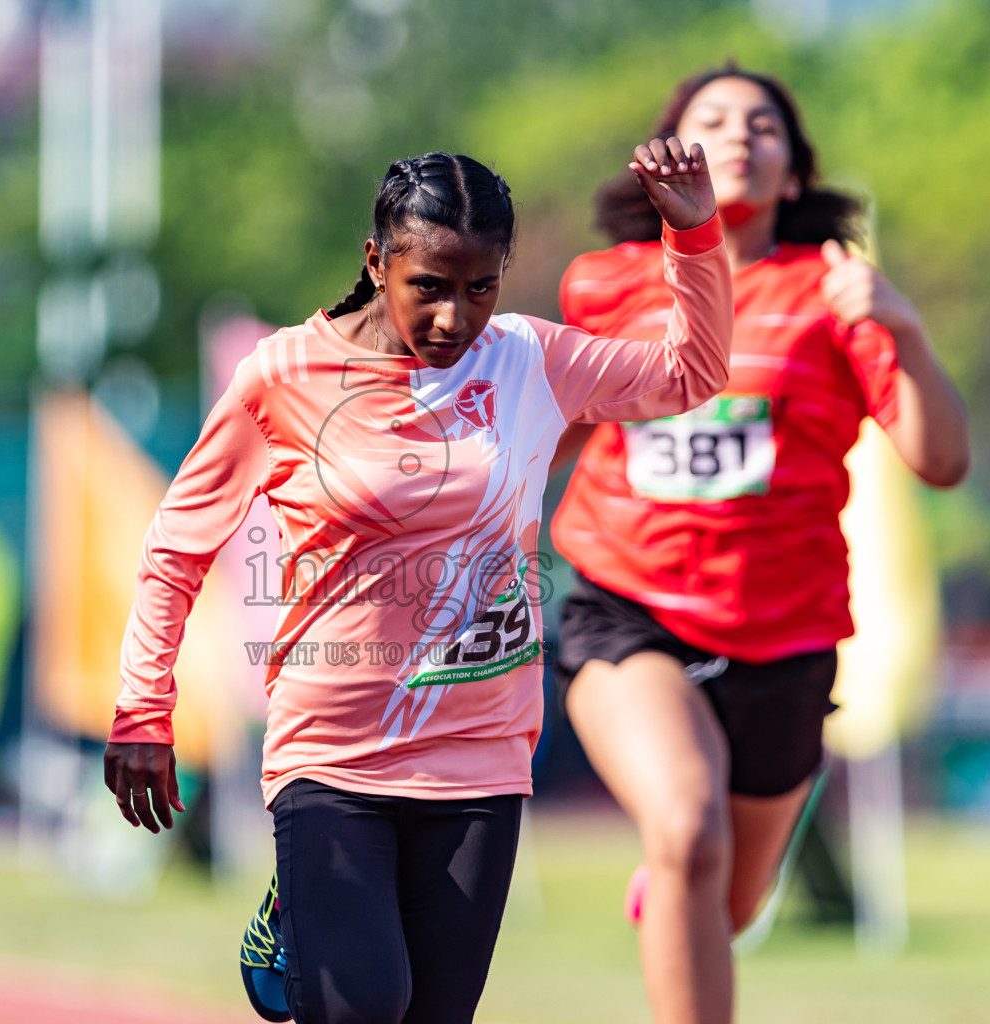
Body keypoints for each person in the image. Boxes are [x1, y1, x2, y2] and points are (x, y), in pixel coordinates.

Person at [103, 144, 732, 1024]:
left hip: (479, 754)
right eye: (428, 285)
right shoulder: (282, 377)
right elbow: (177, 546)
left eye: (480, 287)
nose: (453, 316)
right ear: (376, 261)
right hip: (333, 755)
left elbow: (689, 374)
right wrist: (143, 710)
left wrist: (693, 230)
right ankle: (307, 911)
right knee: (369, 1007)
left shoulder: (529, 361)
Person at [550, 66, 970, 1024]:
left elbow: (941, 461)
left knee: (725, 899)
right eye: (713, 121)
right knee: (689, 828)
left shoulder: (834, 293)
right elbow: (547, 437)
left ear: (793, 173)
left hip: (784, 637)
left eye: (764, 126)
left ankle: (676, 891)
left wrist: (903, 327)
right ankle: (678, 869)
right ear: (664, 155)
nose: (740, 136)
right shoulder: (606, 285)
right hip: (631, 608)